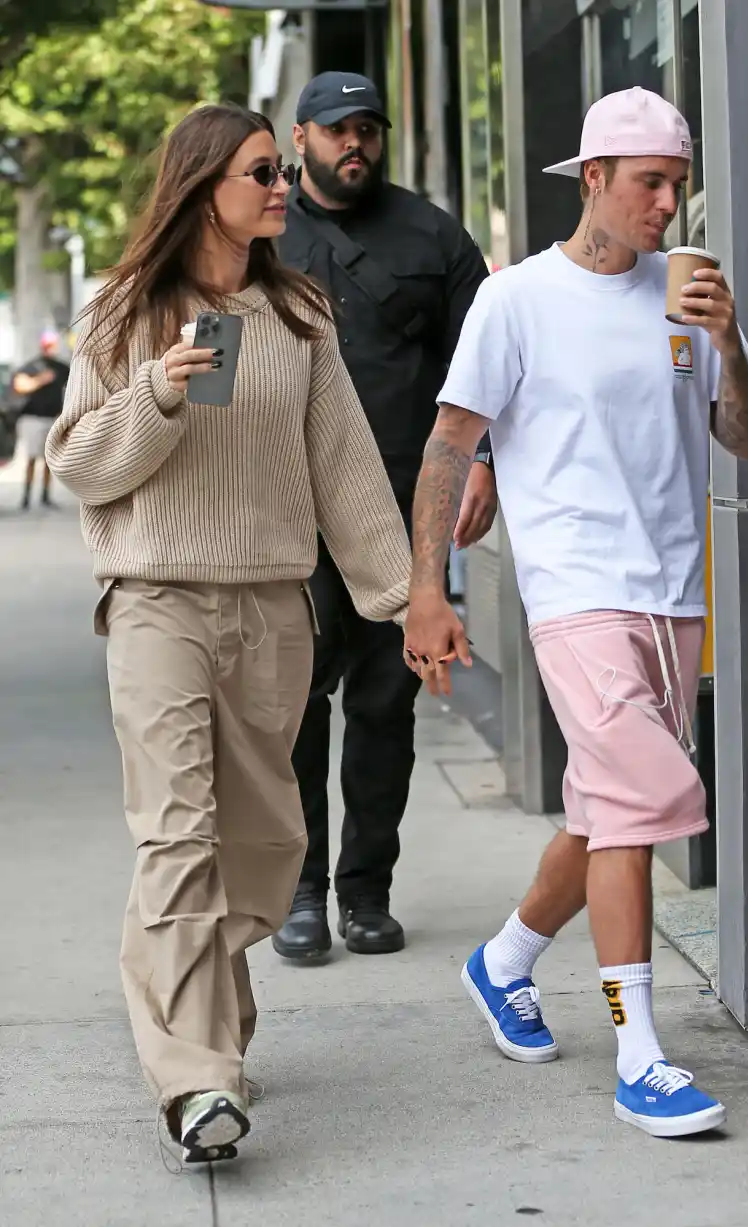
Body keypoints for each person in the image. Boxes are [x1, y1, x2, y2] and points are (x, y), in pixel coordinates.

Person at [46, 104, 411, 1165]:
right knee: (176, 836)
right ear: (208, 185)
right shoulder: (123, 312)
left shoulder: (296, 312)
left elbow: (345, 467)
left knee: (256, 847)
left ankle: (197, 1006)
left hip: (271, 608)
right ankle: (198, 1081)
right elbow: (79, 466)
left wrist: (405, 598)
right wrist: (155, 396)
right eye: (261, 171)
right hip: (157, 601)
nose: (281, 185)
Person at [403, 88, 748, 1138]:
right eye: (652, 183)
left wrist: (730, 346)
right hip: (571, 592)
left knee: (607, 814)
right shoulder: (517, 299)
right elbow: (448, 444)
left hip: (671, 598)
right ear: (595, 177)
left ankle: (506, 959)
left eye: (679, 185)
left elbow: (744, 438)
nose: (669, 205)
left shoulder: (689, 294)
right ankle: (640, 1051)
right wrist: (427, 589)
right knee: (651, 799)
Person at [273, 72, 497, 962]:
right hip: (284, 516)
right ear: (301, 139)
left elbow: (486, 364)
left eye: (367, 127)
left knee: (384, 704)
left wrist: (485, 462)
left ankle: (367, 893)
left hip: (402, 516)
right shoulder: (259, 230)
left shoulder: (431, 234)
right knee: (292, 704)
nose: (353, 142)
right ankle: (300, 891)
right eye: (336, 130)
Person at [11, 330, 69, 510]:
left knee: (48, 460)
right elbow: (19, 385)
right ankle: (26, 496)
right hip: (33, 419)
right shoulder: (32, 366)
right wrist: (40, 380)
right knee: (31, 458)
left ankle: (45, 495)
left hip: (52, 418)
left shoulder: (61, 367)